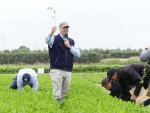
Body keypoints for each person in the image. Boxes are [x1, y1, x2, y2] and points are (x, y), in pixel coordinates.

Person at [45, 22, 81, 102]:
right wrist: (51, 32)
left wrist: (69, 47)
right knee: (57, 93)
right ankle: (55, 109)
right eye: (64, 28)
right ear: (59, 28)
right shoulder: (54, 38)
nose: (65, 29)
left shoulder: (71, 41)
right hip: (57, 69)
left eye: (67, 28)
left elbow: (78, 54)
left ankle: (63, 109)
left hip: (68, 70)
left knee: (65, 93)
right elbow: (47, 41)